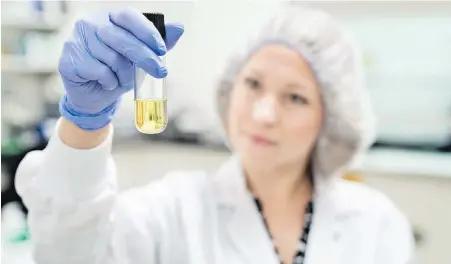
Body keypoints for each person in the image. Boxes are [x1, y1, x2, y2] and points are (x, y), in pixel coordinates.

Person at [15, 5, 415, 264]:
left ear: (332, 117)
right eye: (253, 84)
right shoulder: (171, 211)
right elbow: (69, 253)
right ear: (230, 88)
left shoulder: (376, 224)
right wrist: (85, 123)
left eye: (294, 97)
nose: (262, 113)